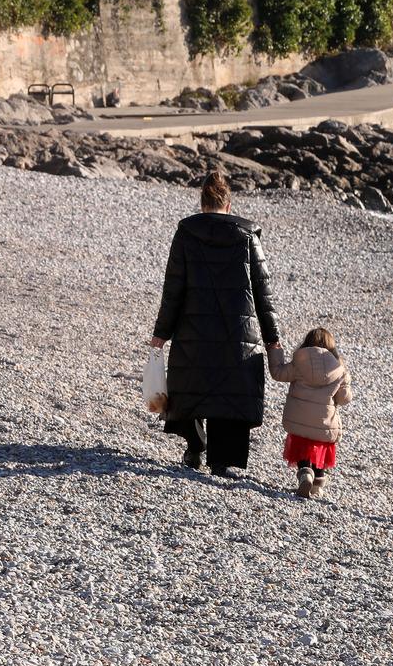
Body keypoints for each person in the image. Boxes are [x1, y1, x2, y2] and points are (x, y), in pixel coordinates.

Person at [150, 170, 281, 478]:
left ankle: (195, 448)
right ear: (229, 204)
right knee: (231, 390)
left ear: (202, 202)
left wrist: (161, 333)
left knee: (192, 383)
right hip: (239, 331)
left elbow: (173, 289)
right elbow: (263, 292)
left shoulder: (186, 234)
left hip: (192, 326)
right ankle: (221, 461)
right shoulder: (247, 237)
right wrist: (272, 337)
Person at [269, 327, 352, 499]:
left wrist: (274, 350)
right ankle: (317, 484)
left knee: (301, 445)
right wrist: (345, 382)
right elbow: (344, 399)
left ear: (306, 343)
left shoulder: (299, 363)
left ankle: (305, 474)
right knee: (321, 447)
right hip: (324, 422)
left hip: (299, 418)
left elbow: (278, 373)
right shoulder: (338, 369)